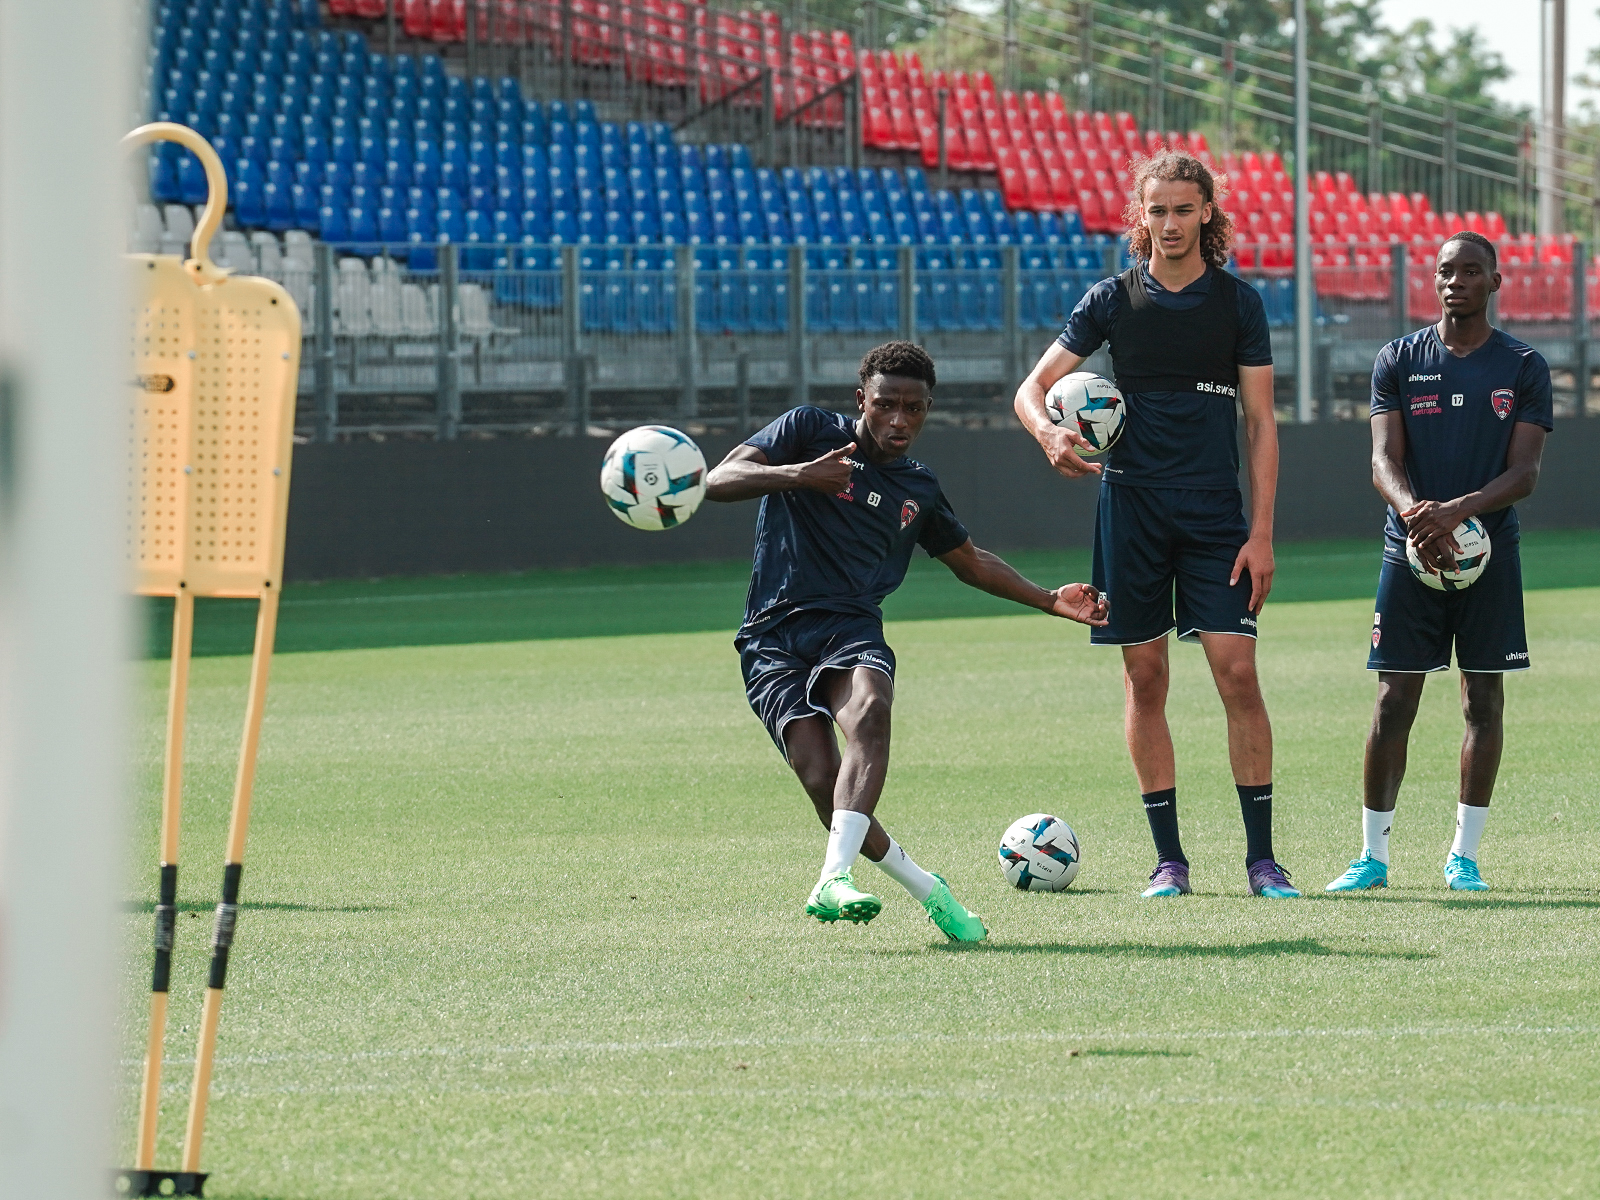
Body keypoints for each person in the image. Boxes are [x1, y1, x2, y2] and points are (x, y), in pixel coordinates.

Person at [705, 341, 1109, 941]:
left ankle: (832, 879)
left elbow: (970, 561)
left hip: (850, 628)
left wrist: (1049, 598)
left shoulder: (917, 487)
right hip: (772, 637)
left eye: (913, 409)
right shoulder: (808, 430)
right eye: (885, 405)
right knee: (824, 782)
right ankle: (928, 888)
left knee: (871, 708)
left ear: (927, 410)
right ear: (860, 400)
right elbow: (718, 479)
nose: (899, 420)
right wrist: (801, 475)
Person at [1010, 149, 1298, 899]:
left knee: (1238, 672)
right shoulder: (1111, 299)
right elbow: (1032, 389)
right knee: (1145, 677)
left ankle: (1263, 861)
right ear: (1141, 217)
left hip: (1215, 515)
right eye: (1157, 210)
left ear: (1207, 213)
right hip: (1131, 509)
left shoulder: (1239, 304)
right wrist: (1048, 434)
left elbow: (1261, 424)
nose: (1170, 223)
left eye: (1183, 209)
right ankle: (1169, 862)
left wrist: (1262, 534)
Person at [1326, 231, 1552, 894]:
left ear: (1494, 282)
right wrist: (1415, 516)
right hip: (1410, 553)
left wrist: (1457, 511)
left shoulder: (1524, 365)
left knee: (1483, 699)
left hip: (1489, 554)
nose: (1457, 282)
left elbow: (1526, 472)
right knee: (1393, 700)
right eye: (1447, 271)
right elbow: (1381, 460)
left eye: (1471, 271)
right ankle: (1371, 857)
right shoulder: (1399, 358)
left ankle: (1464, 857)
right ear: (1435, 279)